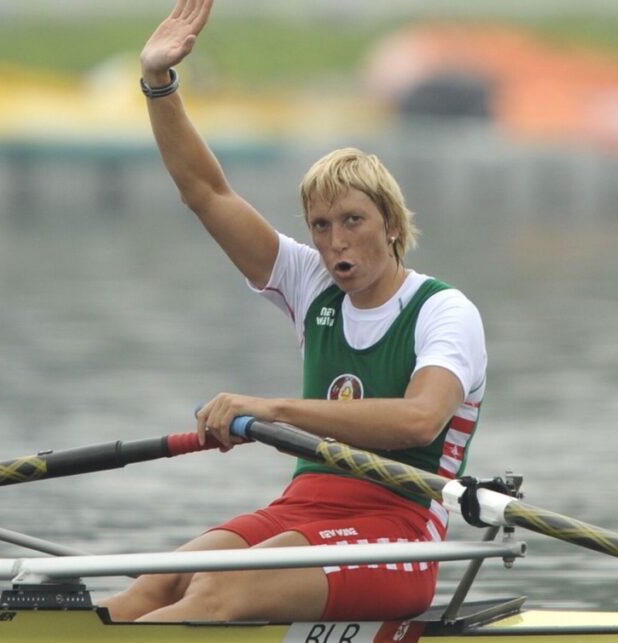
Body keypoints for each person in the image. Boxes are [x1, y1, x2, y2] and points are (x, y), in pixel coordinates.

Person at [101, 0, 487, 623]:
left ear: (391, 224)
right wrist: (158, 83)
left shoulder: (444, 311)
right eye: (321, 226)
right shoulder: (311, 283)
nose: (336, 242)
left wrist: (271, 409)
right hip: (302, 509)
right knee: (156, 586)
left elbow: (420, 421)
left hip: (399, 528)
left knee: (215, 594)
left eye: (353, 221)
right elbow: (206, 192)